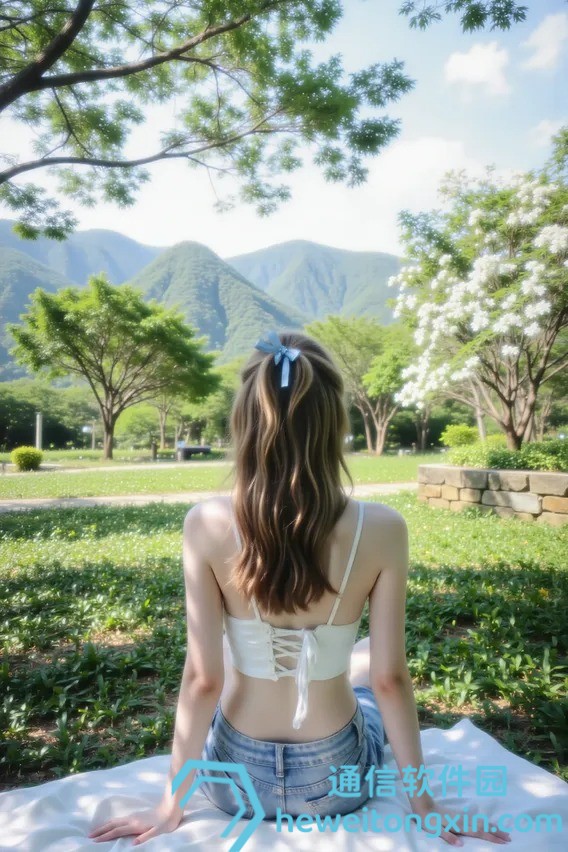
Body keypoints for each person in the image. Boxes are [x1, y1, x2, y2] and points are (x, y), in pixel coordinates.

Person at [89, 330, 512, 847]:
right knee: (363, 663)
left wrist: (168, 806)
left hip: (235, 781)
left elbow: (203, 679)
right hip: (334, 780)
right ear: (335, 423)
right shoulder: (382, 528)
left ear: (244, 421)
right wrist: (423, 804)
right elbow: (390, 680)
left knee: (237, 653)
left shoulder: (205, 523)